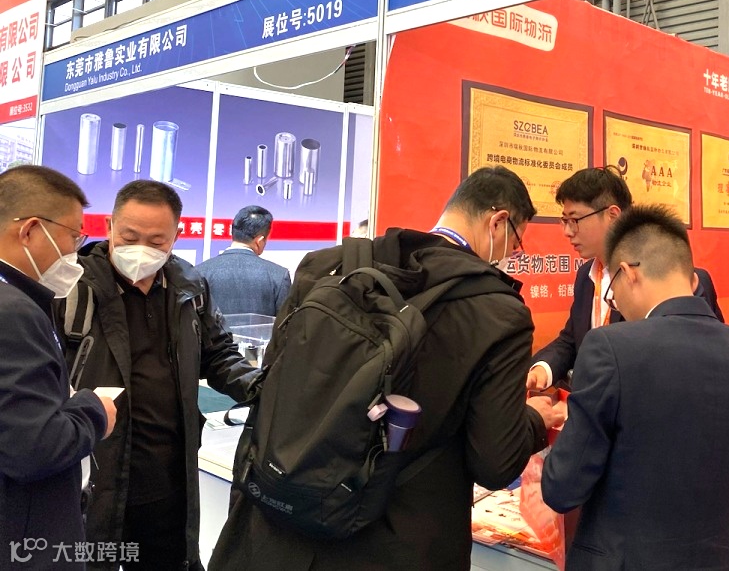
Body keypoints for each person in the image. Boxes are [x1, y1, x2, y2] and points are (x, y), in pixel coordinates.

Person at [210, 165, 565, 571]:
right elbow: (495, 462)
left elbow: (273, 381)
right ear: (497, 222)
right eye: (515, 242)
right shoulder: (498, 312)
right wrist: (535, 420)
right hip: (395, 542)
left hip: (273, 520)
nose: (512, 255)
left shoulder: (328, 265)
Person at [541, 204, 729, 570]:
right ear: (692, 281)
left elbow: (563, 487)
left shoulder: (610, 348)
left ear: (628, 273)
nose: (616, 302)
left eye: (612, 290)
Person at [55, 180, 260, 571]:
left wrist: (260, 386)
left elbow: (217, 355)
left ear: (176, 237)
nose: (140, 249)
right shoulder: (71, 287)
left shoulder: (189, 287)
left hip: (169, 480)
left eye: (156, 241)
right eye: (129, 237)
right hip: (94, 478)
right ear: (109, 226)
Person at [0, 166, 116, 570]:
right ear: (31, 230)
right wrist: (94, 410)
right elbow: (35, 448)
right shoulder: (14, 312)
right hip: (26, 537)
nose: (74, 253)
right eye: (73, 236)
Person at [527, 166, 721, 391]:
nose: (568, 232)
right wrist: (542, 369)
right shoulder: (586, 276)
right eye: (564, 221)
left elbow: (686, 365)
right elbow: (572, 339)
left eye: (575, 220)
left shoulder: (669, 280)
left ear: (612, 215)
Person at [194, 205, 292, 317]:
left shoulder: (199, 272)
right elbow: (284, 325)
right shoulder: (279, 276)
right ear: (260, 241)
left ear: (233, 232)